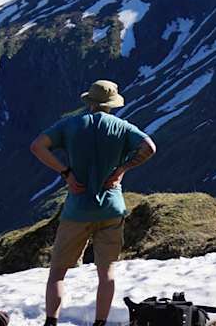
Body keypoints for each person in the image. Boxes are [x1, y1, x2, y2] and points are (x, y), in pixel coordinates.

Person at [30, 79, 157, 326]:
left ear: (89, 101)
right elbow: (149, 147)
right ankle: (100, 323)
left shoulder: (70, 125)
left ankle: (50, 322)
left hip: (77, 208)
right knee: (106, 272)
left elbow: (37, 146)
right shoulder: (122, 127)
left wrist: (65, 172)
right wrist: (122, 169)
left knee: (57, 272)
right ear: (112, 104)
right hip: (111, 207)